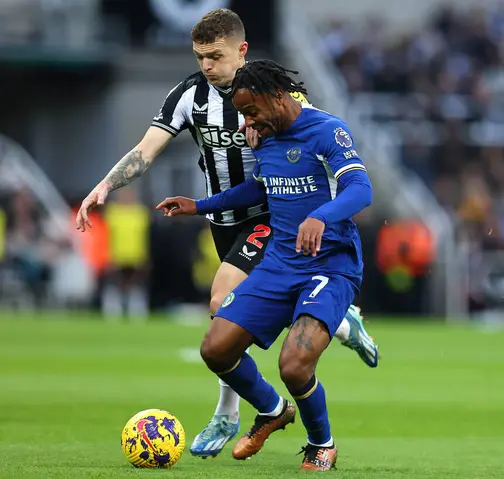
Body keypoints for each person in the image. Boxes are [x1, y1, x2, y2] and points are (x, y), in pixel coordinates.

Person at [75, 8, 378, 459]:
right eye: (200, 57)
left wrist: (323, 214)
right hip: (227, 218)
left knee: (222, 302)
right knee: (219, 331)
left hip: (272, 223)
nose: (206, 65)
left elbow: (334, 167)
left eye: (215, 55)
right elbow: (146, 149)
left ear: (242, 51)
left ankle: (234, 414)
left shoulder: (292, 105)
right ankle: (325, 334)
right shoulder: (190, 97)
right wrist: (106, 186)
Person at [155, 59, 373, 471]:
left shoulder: (327, 130)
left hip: (330, 264)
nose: (246, 122)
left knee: (293, 364)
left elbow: (361, 189)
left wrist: (320, 216)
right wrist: (198, 206)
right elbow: (260, 187)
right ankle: (273, 411)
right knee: (215, 348)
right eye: (242, 113)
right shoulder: (265, 137)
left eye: (251, 111)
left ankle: (321, 443)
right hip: (279, 263)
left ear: (277, 96)